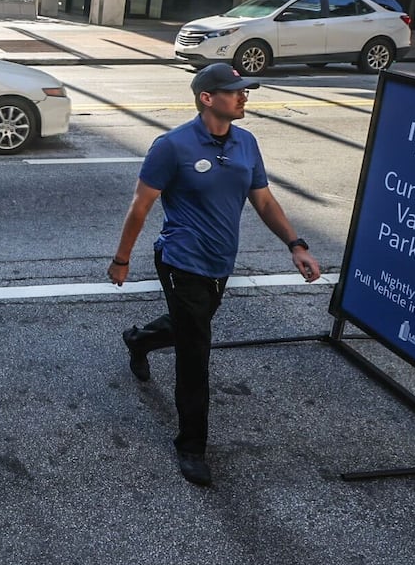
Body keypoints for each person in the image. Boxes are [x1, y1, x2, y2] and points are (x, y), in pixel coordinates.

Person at [106, 61, 321, 487]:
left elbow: (262, 200)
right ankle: (191, 446)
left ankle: (140, 339)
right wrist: (122, 259)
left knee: (192, 327)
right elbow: (141, 206)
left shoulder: (246, 144)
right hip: (181, 262)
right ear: (207, 98)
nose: (244, 97)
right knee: (195, 353)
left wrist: (296, 244)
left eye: (245, 91)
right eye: (235, 91)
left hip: (221, 263)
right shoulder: (172, 146)